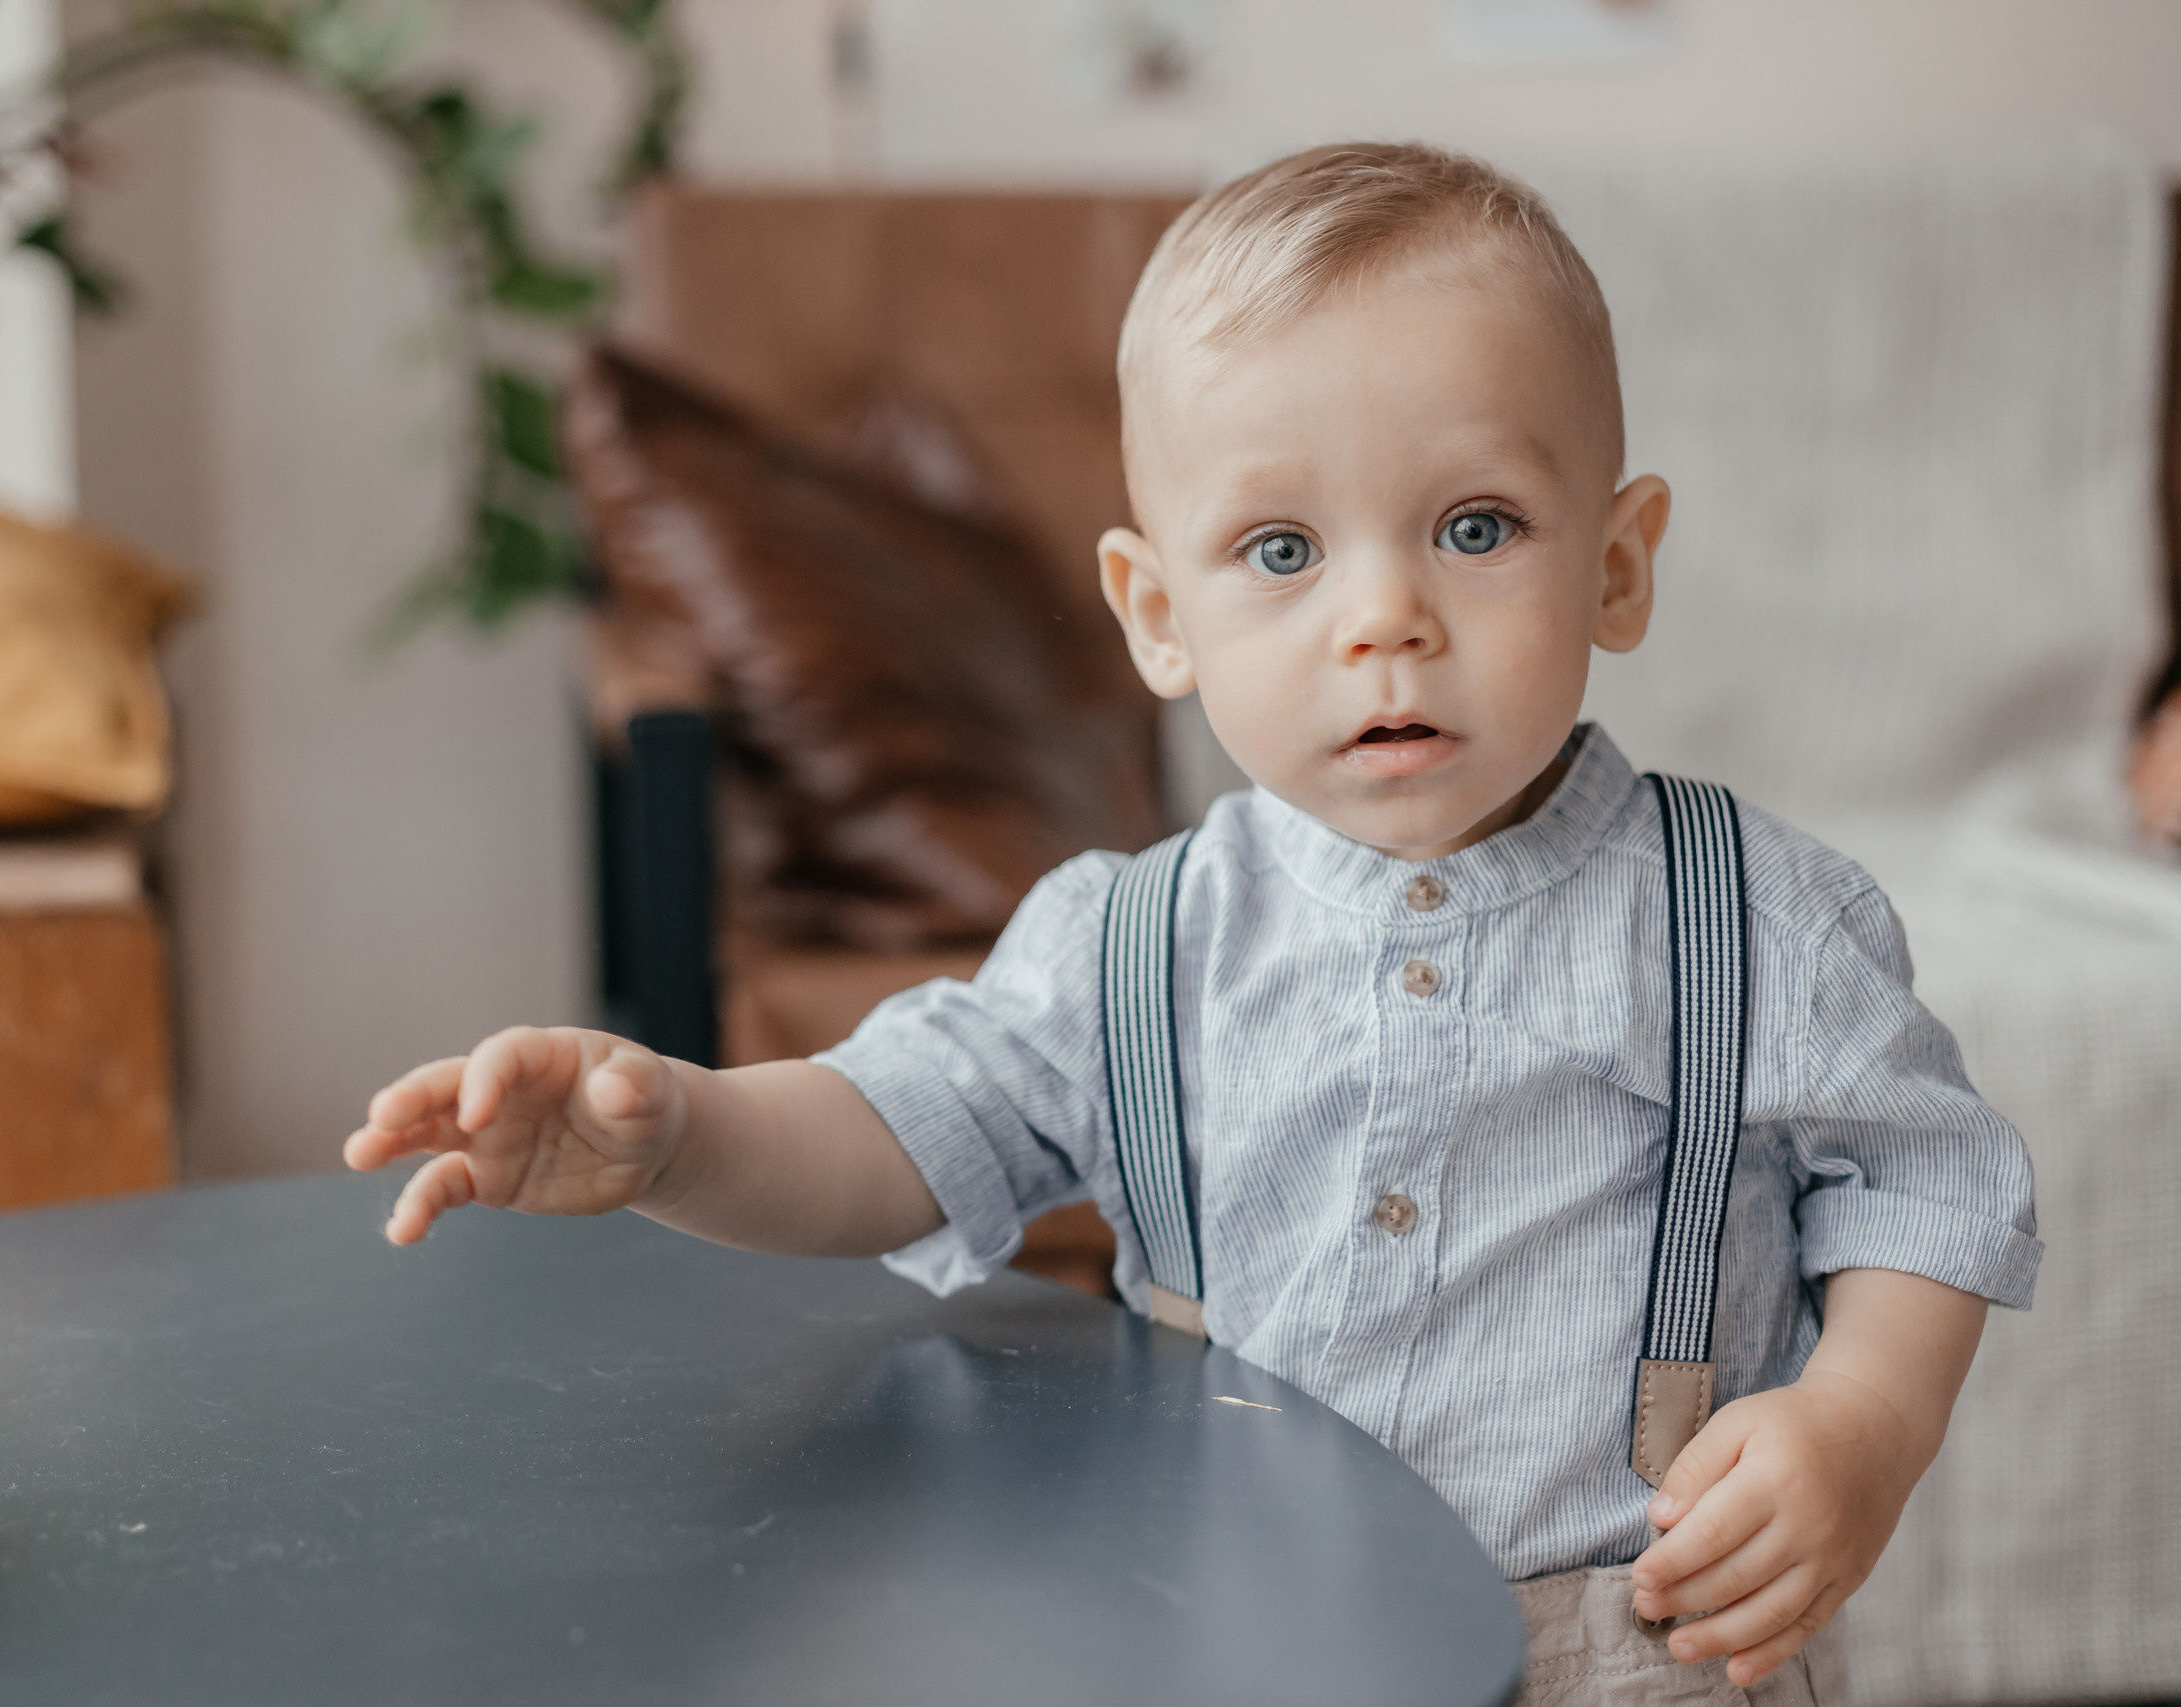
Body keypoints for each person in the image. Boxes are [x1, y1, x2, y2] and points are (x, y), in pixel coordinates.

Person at [342, 144, 2038, 1705]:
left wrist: (1860, 1421)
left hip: (1635, 1648)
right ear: (1161, 616)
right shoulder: (1130, 944)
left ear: (1617, 566)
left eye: (1475, 528)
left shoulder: (1752, 919)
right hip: (1231, 1636)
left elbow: (1930, 1180)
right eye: (1283, 549)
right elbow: (892, 1135)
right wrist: (678, 1134)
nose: (1387, 618)